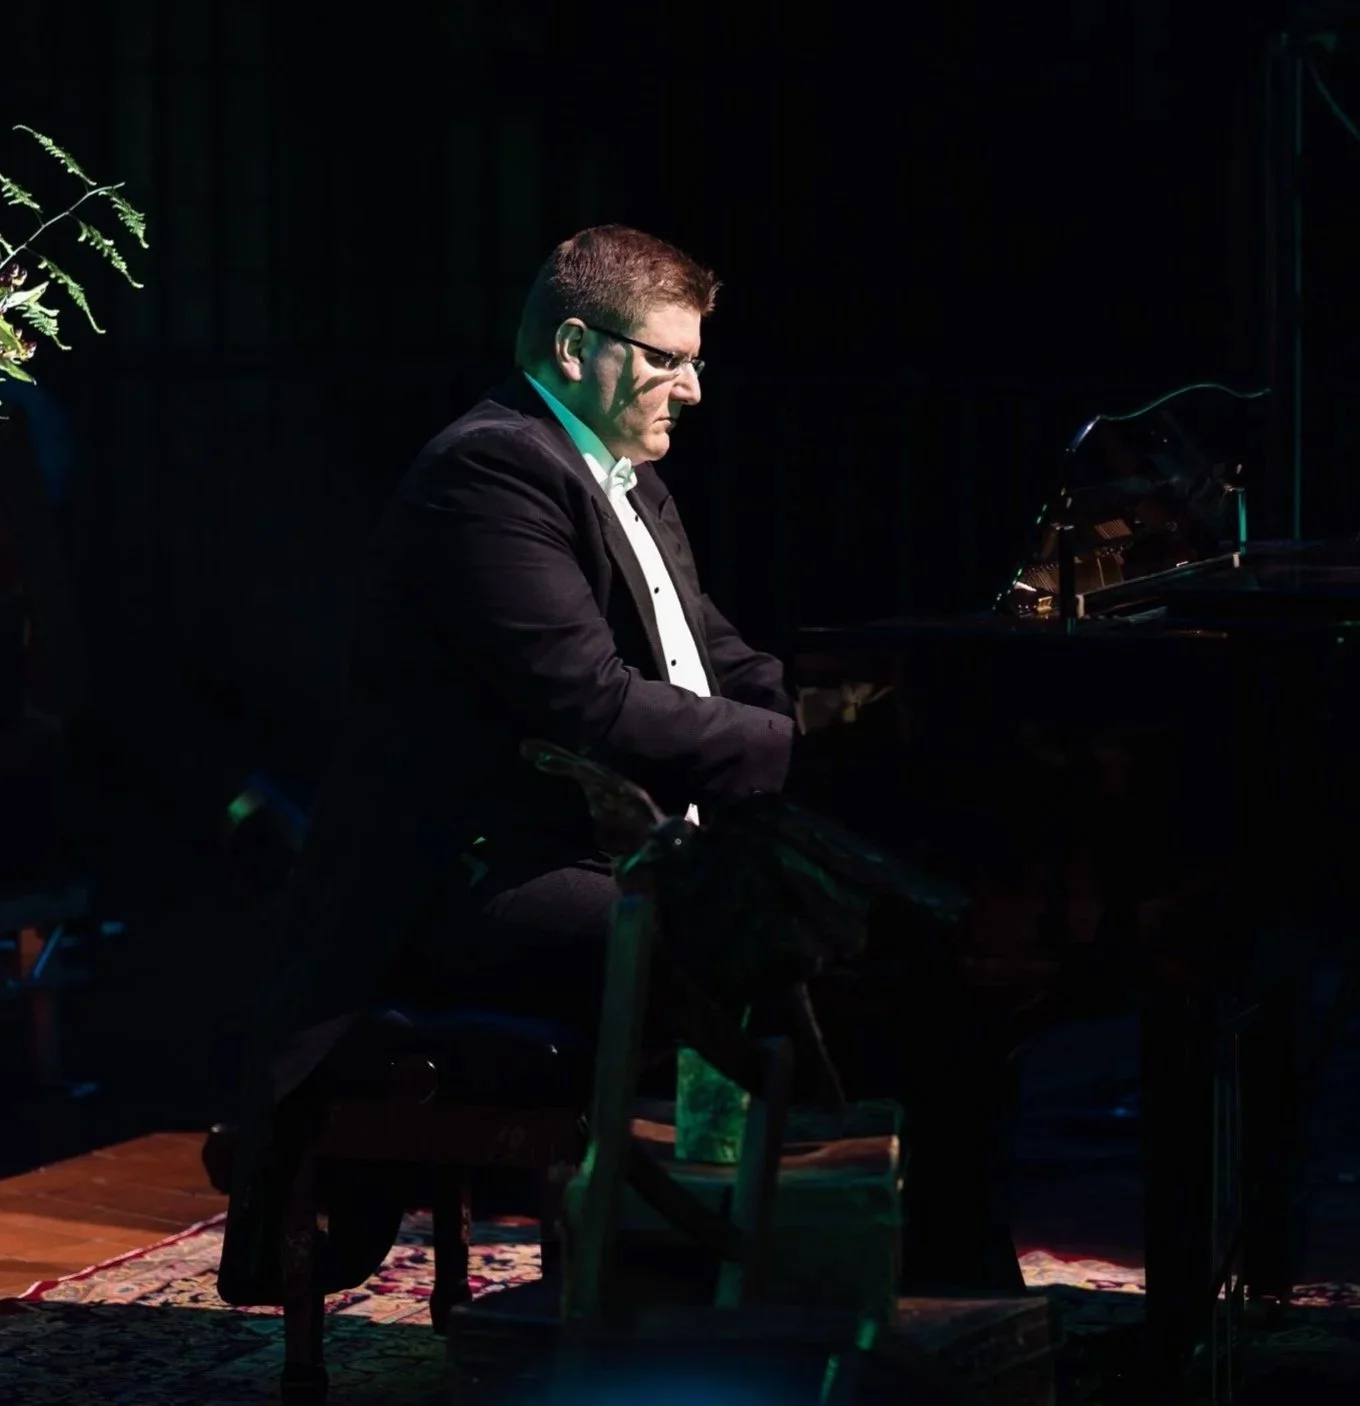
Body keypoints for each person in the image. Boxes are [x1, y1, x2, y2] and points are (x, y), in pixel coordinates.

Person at [220, 225, 1015, 1304]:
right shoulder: (490, 470)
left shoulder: (619, 466)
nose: (691, 388)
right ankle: (807, 1289)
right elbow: (588, 702)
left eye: (695, 360)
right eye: (666, 359)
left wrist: (849, 717)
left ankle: (926, 1294)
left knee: (923, 944)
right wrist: (809, 756)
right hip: (483, 881)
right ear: (572, 345)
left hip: (607, 852)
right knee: (833, 959)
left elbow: (712, 653)